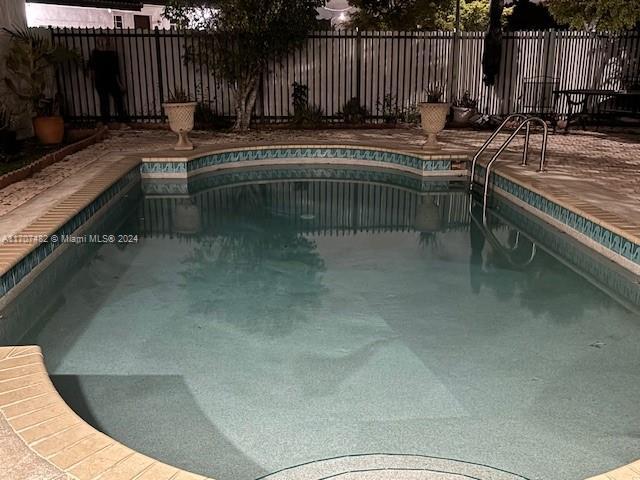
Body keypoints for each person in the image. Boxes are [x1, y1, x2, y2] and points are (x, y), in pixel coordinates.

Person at [88, 37, 127, 125]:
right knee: (104, 101)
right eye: (100, 41)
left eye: (104, 40)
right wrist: (92, 79)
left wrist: (119, 83)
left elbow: (116, 70)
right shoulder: (95, 54)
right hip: (101, 81)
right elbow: (92, 69)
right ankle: (106, 121)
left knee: (118, 99)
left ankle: (121, 120)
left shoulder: (112, 54)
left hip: (111, 80)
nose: (102, 43)